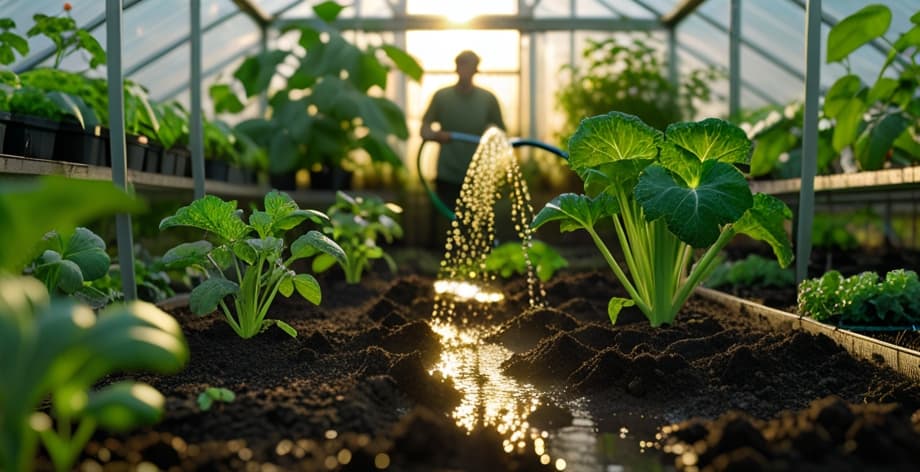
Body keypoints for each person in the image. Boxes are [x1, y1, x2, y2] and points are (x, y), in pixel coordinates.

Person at [420, 50, 506, 214]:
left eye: (470, 66)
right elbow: (424, 129)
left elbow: (500, 132)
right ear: (456, 68)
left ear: (476, 70)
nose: (465, 70)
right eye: (462, 66)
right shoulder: (442, 96)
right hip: (447, 174)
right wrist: (436, 135)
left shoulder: (487, 99)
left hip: (478, 175)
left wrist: (490, 135)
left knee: (477, 223)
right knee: (447, 220)